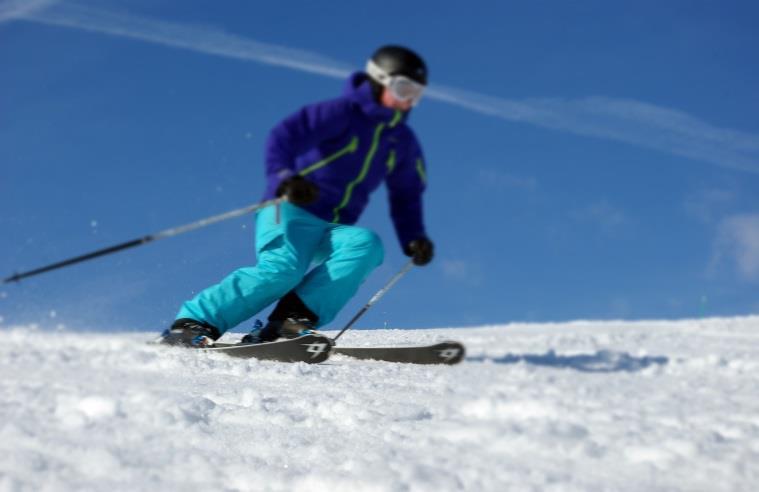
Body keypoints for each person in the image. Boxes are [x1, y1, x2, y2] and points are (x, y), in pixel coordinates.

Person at [160, 45, 434, 347]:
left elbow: (406, 193)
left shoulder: (401, 141)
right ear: (379, 80)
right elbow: (284, 136)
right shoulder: (342, 113)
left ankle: (290, 321)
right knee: (284, 270)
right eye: (403, 88)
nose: (407, 101)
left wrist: (414, 236)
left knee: (366, 244)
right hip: (289, 207)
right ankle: (193, 322)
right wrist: (285, 177)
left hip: (330, 226)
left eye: (416, 94)